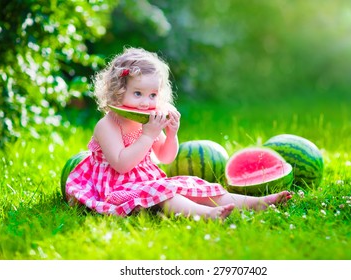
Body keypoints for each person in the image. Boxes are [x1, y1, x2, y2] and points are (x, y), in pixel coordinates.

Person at [65, 47, 292, 220]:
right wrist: (147, 135)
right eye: (137, 93)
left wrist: (171, 134)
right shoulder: (107, 125)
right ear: (118, 91)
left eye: (152, 95)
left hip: (148, 182)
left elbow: (165, 157)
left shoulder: (148, 121)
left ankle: (257, 202)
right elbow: (121, 165)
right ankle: (206, 215)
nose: (146, 102)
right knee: (166, 195)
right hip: (114, 190)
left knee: (192, 185)